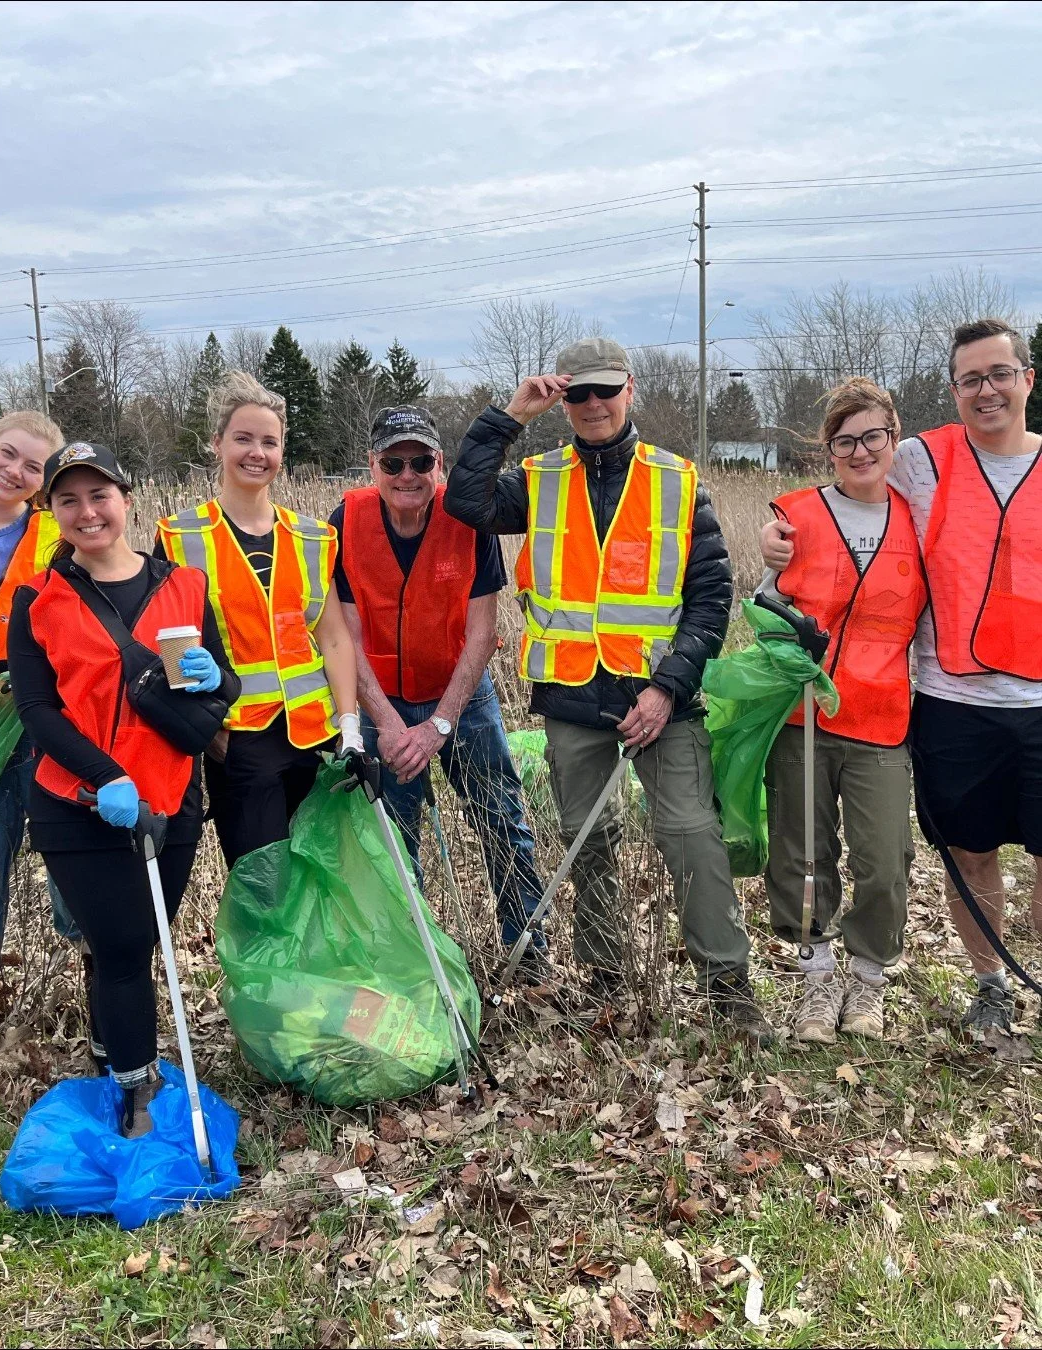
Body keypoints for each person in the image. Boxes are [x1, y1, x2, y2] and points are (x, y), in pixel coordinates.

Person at [444, 337, 768, 1038]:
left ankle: (727, 988)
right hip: (571, 697)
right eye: (578, 393)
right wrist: (510, 415)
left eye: (605, 390)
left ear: (631, 389)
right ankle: (605, 974)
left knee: (689, 834)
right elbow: (464, 501)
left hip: (662, 702)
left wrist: (667, 690)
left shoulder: (680, 481)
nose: (592, 405)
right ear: (564, 399)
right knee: (587, 839)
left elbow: (711, 600)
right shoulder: (538, 476)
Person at [760, 318, 1042, 1047]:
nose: (987, 390)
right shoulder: (894, 475)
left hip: (950, 711)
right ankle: (862, 984)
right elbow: (779, 577)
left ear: (1026, 380)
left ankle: (910, 975)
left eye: (999, 374)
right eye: (971, 379)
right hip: (891, 709)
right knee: (919, 854)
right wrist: (769, 557)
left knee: (912, 864)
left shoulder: (943, 487)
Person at [8, 442, 240, 1135]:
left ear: (127, 499)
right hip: (80, 806)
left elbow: (226, 686)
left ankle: (117, 1055)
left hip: (171, 797)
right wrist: (107, 778)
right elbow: (37, 710)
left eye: (99, 495)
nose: (87, 511)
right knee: (120, 948)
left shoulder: (186, 586)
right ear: (51, 512)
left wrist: (210, 677)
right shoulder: (38, 602)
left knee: (144, 940)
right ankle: (138, 1092)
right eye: (68, 500)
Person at [330, 404, 549, 978]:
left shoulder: (466, 518)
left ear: (440, 464)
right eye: (394, 461)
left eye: (421, 460)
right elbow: (344, 639)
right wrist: (394, 726)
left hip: (462, 697)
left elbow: (483, 633)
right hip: (382, 701)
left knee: (502, 818)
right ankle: (415, 964)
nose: (408, 474)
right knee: (393, 842)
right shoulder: (344, 521)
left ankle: (528, 952)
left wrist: (441, 724)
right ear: (372, 465)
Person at [758, 379, 925, 1043]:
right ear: (828, 448)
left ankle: (869, 979)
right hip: (802, 719)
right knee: (803, 858)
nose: (860, 452)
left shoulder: (920, 518)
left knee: (885, 861)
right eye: (845, 441)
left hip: (882, 718)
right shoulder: (794, 517)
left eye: (872, 437)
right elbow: (765, 608)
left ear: (893, 437)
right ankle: (818, 977)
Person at [156, 372, 362, 868]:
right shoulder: (180, 538)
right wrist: (206, 729)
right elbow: (171, 640)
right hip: (238, 742)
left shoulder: (312, 538)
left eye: (269, 442)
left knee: (319, 883)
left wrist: (351, 725)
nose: (257, 452)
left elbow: (332, 638)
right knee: (262, 885)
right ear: (216, 444)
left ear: (282, 451)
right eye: (243, 438)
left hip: (316, 738)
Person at [0, 411, 66, 1046]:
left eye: (34, 467)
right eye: (9, 453)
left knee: (79, 873)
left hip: (46, 720)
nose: (16, 472)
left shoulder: (58, 532)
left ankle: (106, 1019)